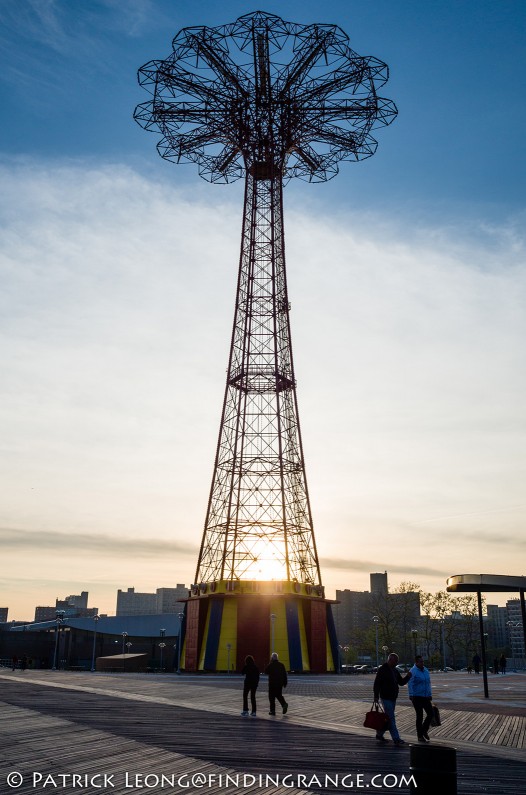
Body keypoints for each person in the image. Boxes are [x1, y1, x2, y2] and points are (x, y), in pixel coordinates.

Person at [373, 653, 411, 746]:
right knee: (391, 718)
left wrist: (408, 677)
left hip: (392, 698)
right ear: (390, 660)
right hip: (385, 697)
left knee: (388, 718)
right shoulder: (383, 670)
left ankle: (379, 734)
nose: (396, 663)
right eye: (395, 661)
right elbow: (377, 683)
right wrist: (376, 696)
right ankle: (396, 738)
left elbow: (401, 682)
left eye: (397, 661)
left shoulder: (394, 670)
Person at [408, 655, 433, 743]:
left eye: (423, 661)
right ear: (416, 662)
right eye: (421, 662)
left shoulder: (425, 670)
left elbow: (428, 683)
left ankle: (424, 730)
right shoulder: (413, 671)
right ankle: (420, 736)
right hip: (417, 697)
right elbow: (410, 683)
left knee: (431, 713)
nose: (422, 663)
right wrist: (411, 694)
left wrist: (430, 694)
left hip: (426, 696)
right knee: (420, 716)